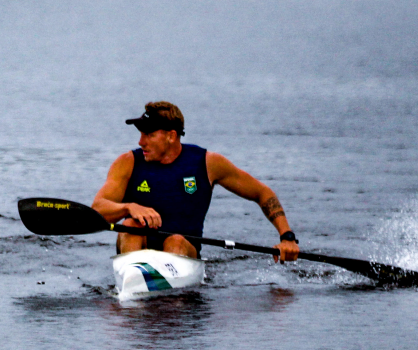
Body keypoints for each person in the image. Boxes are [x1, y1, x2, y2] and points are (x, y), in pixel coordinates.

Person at [92, 101, 299, 262]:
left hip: (183, 253)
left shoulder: (207, 163)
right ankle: (133, 280)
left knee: (175, 240)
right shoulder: (127, 163)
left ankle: (166, 290)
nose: (141, 142)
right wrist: (129, 207)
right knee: (130, 225)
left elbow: (262, 193)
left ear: (171, 136)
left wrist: (287, 237)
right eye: (140, 134)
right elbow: (98, 209)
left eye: (149, 135)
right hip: (137, 249)